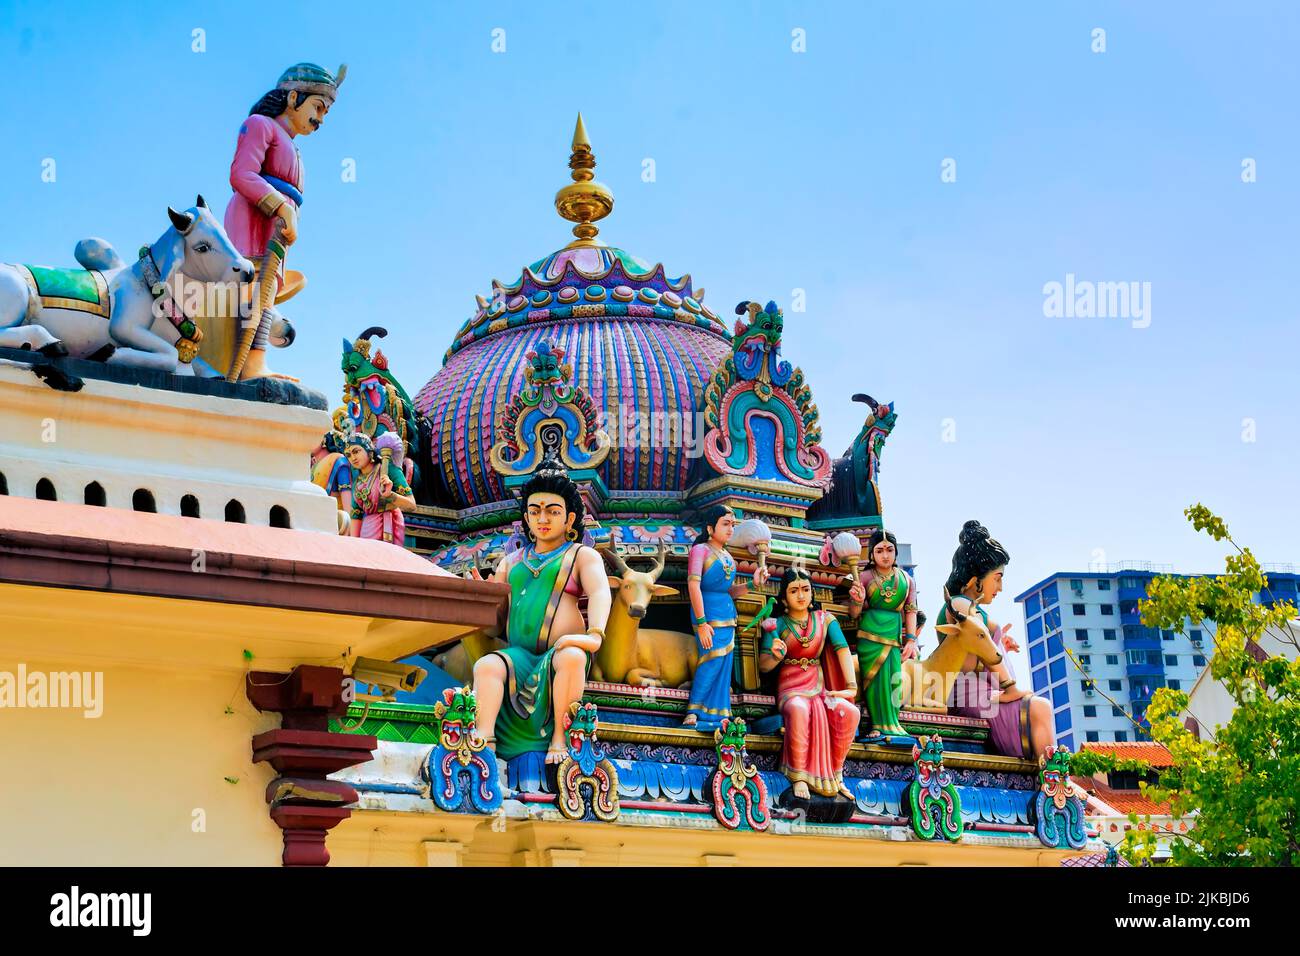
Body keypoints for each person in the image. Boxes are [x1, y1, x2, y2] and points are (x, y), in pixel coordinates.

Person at [470, 460, 612, 763]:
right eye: (535, 511)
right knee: (487, 667)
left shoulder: (580, 555)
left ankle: (560, 741)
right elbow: (496, 627)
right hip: (518, 656)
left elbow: (600, 591)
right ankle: (483, 742)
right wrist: (481, 602)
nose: (542, 518)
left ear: (570, 518)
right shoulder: (510, 562)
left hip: (561, 651)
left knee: (573, 657)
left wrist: (595, 634)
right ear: (525, 518)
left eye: (553, 511)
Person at [223, 62, 345, 379]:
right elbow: (241, 174)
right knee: (250, 288)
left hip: (277, 227)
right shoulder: (259, 125)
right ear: (293, 98)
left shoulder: (293, 146)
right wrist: (280, 205)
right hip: (252, 217)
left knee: (268, 292)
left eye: (325, 112)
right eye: (318, 107)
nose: (320, 119)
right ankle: (239, 364)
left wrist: (287, 212)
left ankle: (255, 363)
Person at [934, 520, 1053, 759]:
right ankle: (1055, 781)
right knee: (1040, 709)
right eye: (997, 578)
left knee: (1040, 707)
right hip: (975, 697)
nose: (1000, 587)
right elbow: (974, 658)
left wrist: (1001, 646)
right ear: (975, 578)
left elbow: (980, 654)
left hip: (984, 692)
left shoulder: (969, 607)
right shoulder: (959, 605)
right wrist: (1009, 686)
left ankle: (1056, 779)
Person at [757, 564, 859, 799]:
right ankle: (799, 775)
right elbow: (764, 665)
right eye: (794, 591)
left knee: (849, 712)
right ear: (784, 597)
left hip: (820, 687)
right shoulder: (778, 624)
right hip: (791, 687)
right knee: (798, 709)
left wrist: (850, 687)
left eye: (805, 589)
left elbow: (842, 649)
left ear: (813, 592)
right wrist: (775, 654)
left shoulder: (824, 619)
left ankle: (837, 774)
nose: (801, 595)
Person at [682, 506, 769, 730]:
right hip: (707, 615)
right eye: (725, 524)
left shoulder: (728, 556)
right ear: (710, 528)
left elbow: (729, 592)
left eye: (733, 524)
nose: (731, 529)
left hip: (727, 615)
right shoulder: (700, 550)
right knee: (711, 661)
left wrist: (753, 584)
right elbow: (694, 585)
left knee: (723, 665)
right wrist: (701, 623)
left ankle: (718, 713)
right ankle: (694, 710)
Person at [846, 529, 918, 740]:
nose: (885, 555)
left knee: (894, 680)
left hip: (894, 638)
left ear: (896, 552)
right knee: (874, 680)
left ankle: (893, 724)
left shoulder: (906, 580)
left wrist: (911, 640)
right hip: (870, 636)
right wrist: (857, 600)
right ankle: (878, 724)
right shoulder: (865, 577)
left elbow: (911, 610)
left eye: (889, 550)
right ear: (871, 554)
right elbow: (854, 614)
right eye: (879, 551)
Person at [345, 434, 415, 543]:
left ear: (369, 450)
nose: (353, 458)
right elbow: (356, 516)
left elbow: (411, 505)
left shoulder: (388, 470)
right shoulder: (357, 483)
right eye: (348, 455)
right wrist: (354, 545)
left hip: (389, 525)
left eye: (356, 451)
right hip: (367, 529)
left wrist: (390, 495)